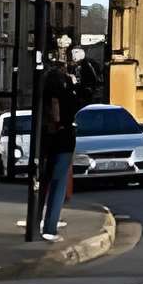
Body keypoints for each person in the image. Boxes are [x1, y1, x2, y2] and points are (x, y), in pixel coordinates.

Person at [38, 69, 80, 238]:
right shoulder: (68, 94)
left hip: (46, 141)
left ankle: (37, 220)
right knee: (58, 184)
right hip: (64, 141)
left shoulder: (44, 95)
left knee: (43, 183)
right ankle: (50, 226)